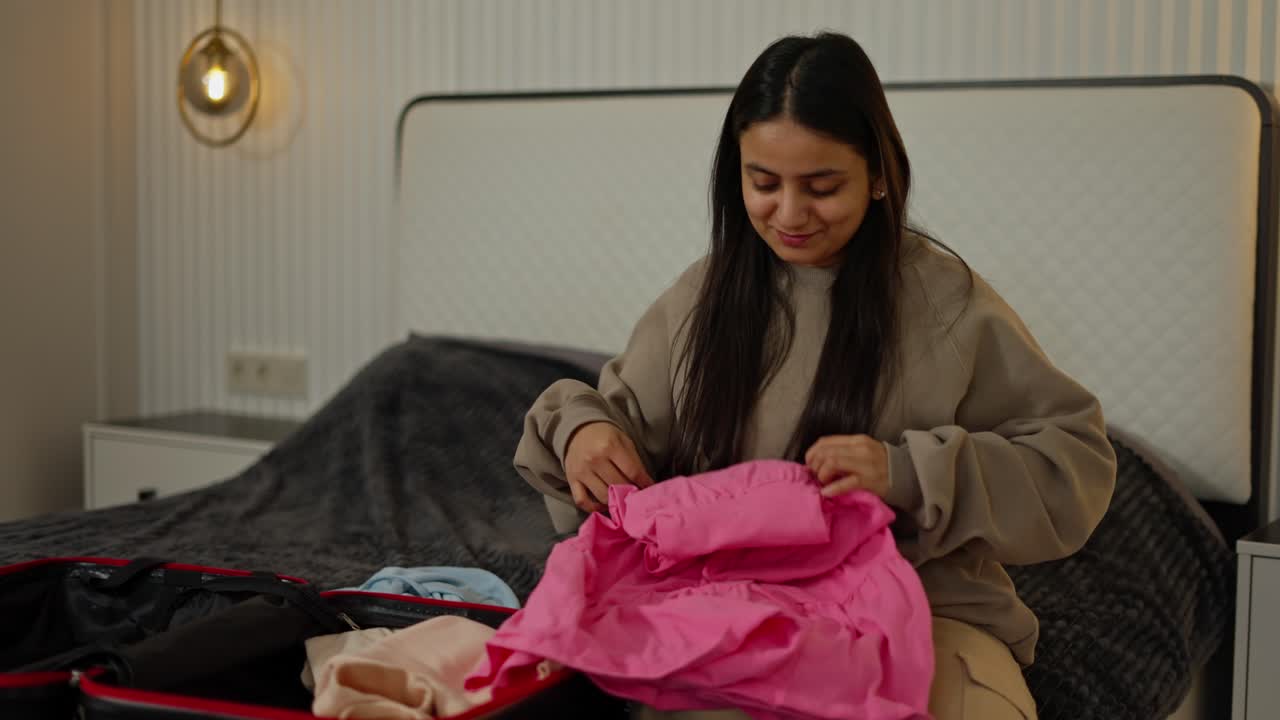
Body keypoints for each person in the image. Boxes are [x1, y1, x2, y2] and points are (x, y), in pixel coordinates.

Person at [513, 32, 1116, 720]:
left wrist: (904, 474)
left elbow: (1074, 464)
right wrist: (583, 433)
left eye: (822, 187)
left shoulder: (948, 303)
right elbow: (611, 421)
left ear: (880, 176)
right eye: (763, 184)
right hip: (724, 613)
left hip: (926, 613)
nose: (790, 215)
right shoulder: (705, 297)